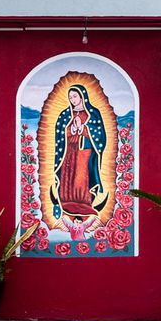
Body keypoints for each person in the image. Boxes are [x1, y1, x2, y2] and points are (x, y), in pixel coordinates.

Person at [50, 84, 109, 228]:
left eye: (75, 96)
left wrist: (84, 129)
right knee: (67, 178)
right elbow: (59, 134)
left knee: (81, 178)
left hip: (85, 152)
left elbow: (100, 136)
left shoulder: (93, 114)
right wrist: (71, 129)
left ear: (82, 96)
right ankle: (65, 204)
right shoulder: (65, 114)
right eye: (70, 97)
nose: (72, 99)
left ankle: (84, 203)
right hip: (69, 151)